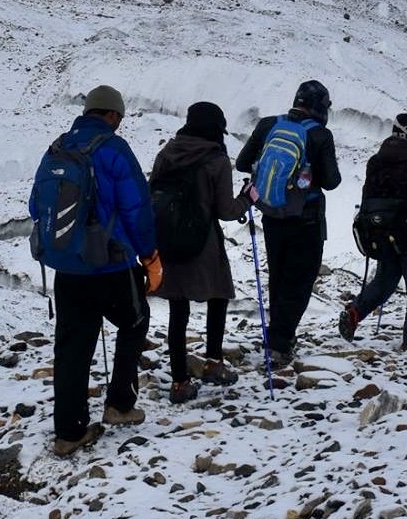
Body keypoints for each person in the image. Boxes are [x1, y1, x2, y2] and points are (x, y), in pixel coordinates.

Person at [39, 85, 157, 457]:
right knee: (135, 321)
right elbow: (137, 207)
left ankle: (69, 432)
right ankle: (119, 405)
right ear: (111, 115)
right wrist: (149, 254)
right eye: (118, 118)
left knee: (72, 346)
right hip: (112, 264)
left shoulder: (57, 147)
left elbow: (34, 204)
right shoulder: (114, 149)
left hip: (68, 267)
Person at [235, 79, 341, 368]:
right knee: (301, 280)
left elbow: (243, 163)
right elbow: (332, 181)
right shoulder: (320, 135)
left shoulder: (270, 124)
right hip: (306, 218)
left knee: (279, 277)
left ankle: (278, 337)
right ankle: (281, 343)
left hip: (272, 213)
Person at [151, 102, 249, 403]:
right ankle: (213, 363)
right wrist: (247, 199)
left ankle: (180, 382)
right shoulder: (216, 159)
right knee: (218, 295)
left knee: (178, 310)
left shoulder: (167, 153)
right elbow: (226, 210)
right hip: (202, 241)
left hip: (168, 240)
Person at [338, 113, 407, 349]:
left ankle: (355, 313)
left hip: (382, 232)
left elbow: (367, 196)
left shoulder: (376, 162)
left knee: (385, 280)